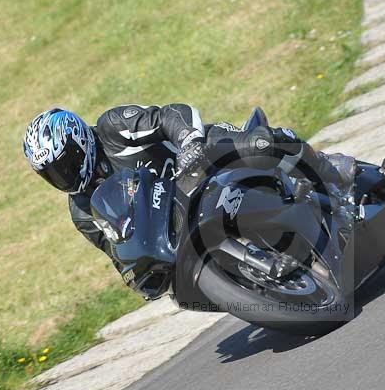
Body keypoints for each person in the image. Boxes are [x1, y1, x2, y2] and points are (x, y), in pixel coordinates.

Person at [22, 104, 355, 283]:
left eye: (63, 165)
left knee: (260, 143)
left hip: (204, 163)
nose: (61, 177)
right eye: (51, 174)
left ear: (79, 142)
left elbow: (169, 115)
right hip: (177, 225)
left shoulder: (112, 128)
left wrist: (188, 142)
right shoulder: (82, 210)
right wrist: (135, 273)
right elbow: (114, 250)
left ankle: (328, 169)